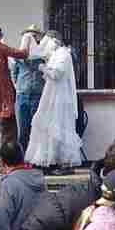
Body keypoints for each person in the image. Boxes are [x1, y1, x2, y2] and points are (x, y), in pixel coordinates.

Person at [0, 22, 40, 175]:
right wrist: (28, 39)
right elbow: (22, 54)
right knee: (9, 134)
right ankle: (7, 166)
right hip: (1, 99)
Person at [24, 29, 84, 170]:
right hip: (51, 95)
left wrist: (43, 68)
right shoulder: (55, 54)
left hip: (60, 97)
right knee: (48, 125)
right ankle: (50, 160)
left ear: (55, 41)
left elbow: (57, 74)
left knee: (59, 127)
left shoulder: (64, 54)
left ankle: (62, 161)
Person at [10, 38, 46, 154]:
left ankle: (35, 157)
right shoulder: (18, 59)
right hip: (22, 96)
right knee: (23, 130)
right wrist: (19, 87)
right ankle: (22, 156)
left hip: (37, 96)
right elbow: (14, 73)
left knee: (36, 130)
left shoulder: (42, 58)